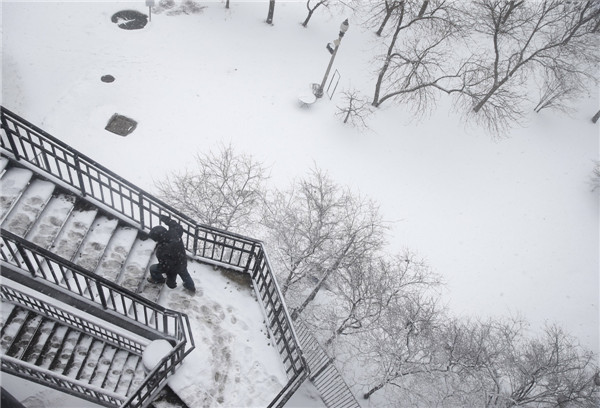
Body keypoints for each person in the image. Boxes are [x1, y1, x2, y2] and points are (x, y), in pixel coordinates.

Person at [146, 214, 196, 293]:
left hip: (173, 266)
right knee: (185, 274)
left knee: (153, 268)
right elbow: (177, 226)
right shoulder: (174, 233)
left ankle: (159, 280)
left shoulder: (162, 250)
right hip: (182, 259)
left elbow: (166, 266)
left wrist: (170, 276)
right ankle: (190, 287)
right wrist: (167, 220)